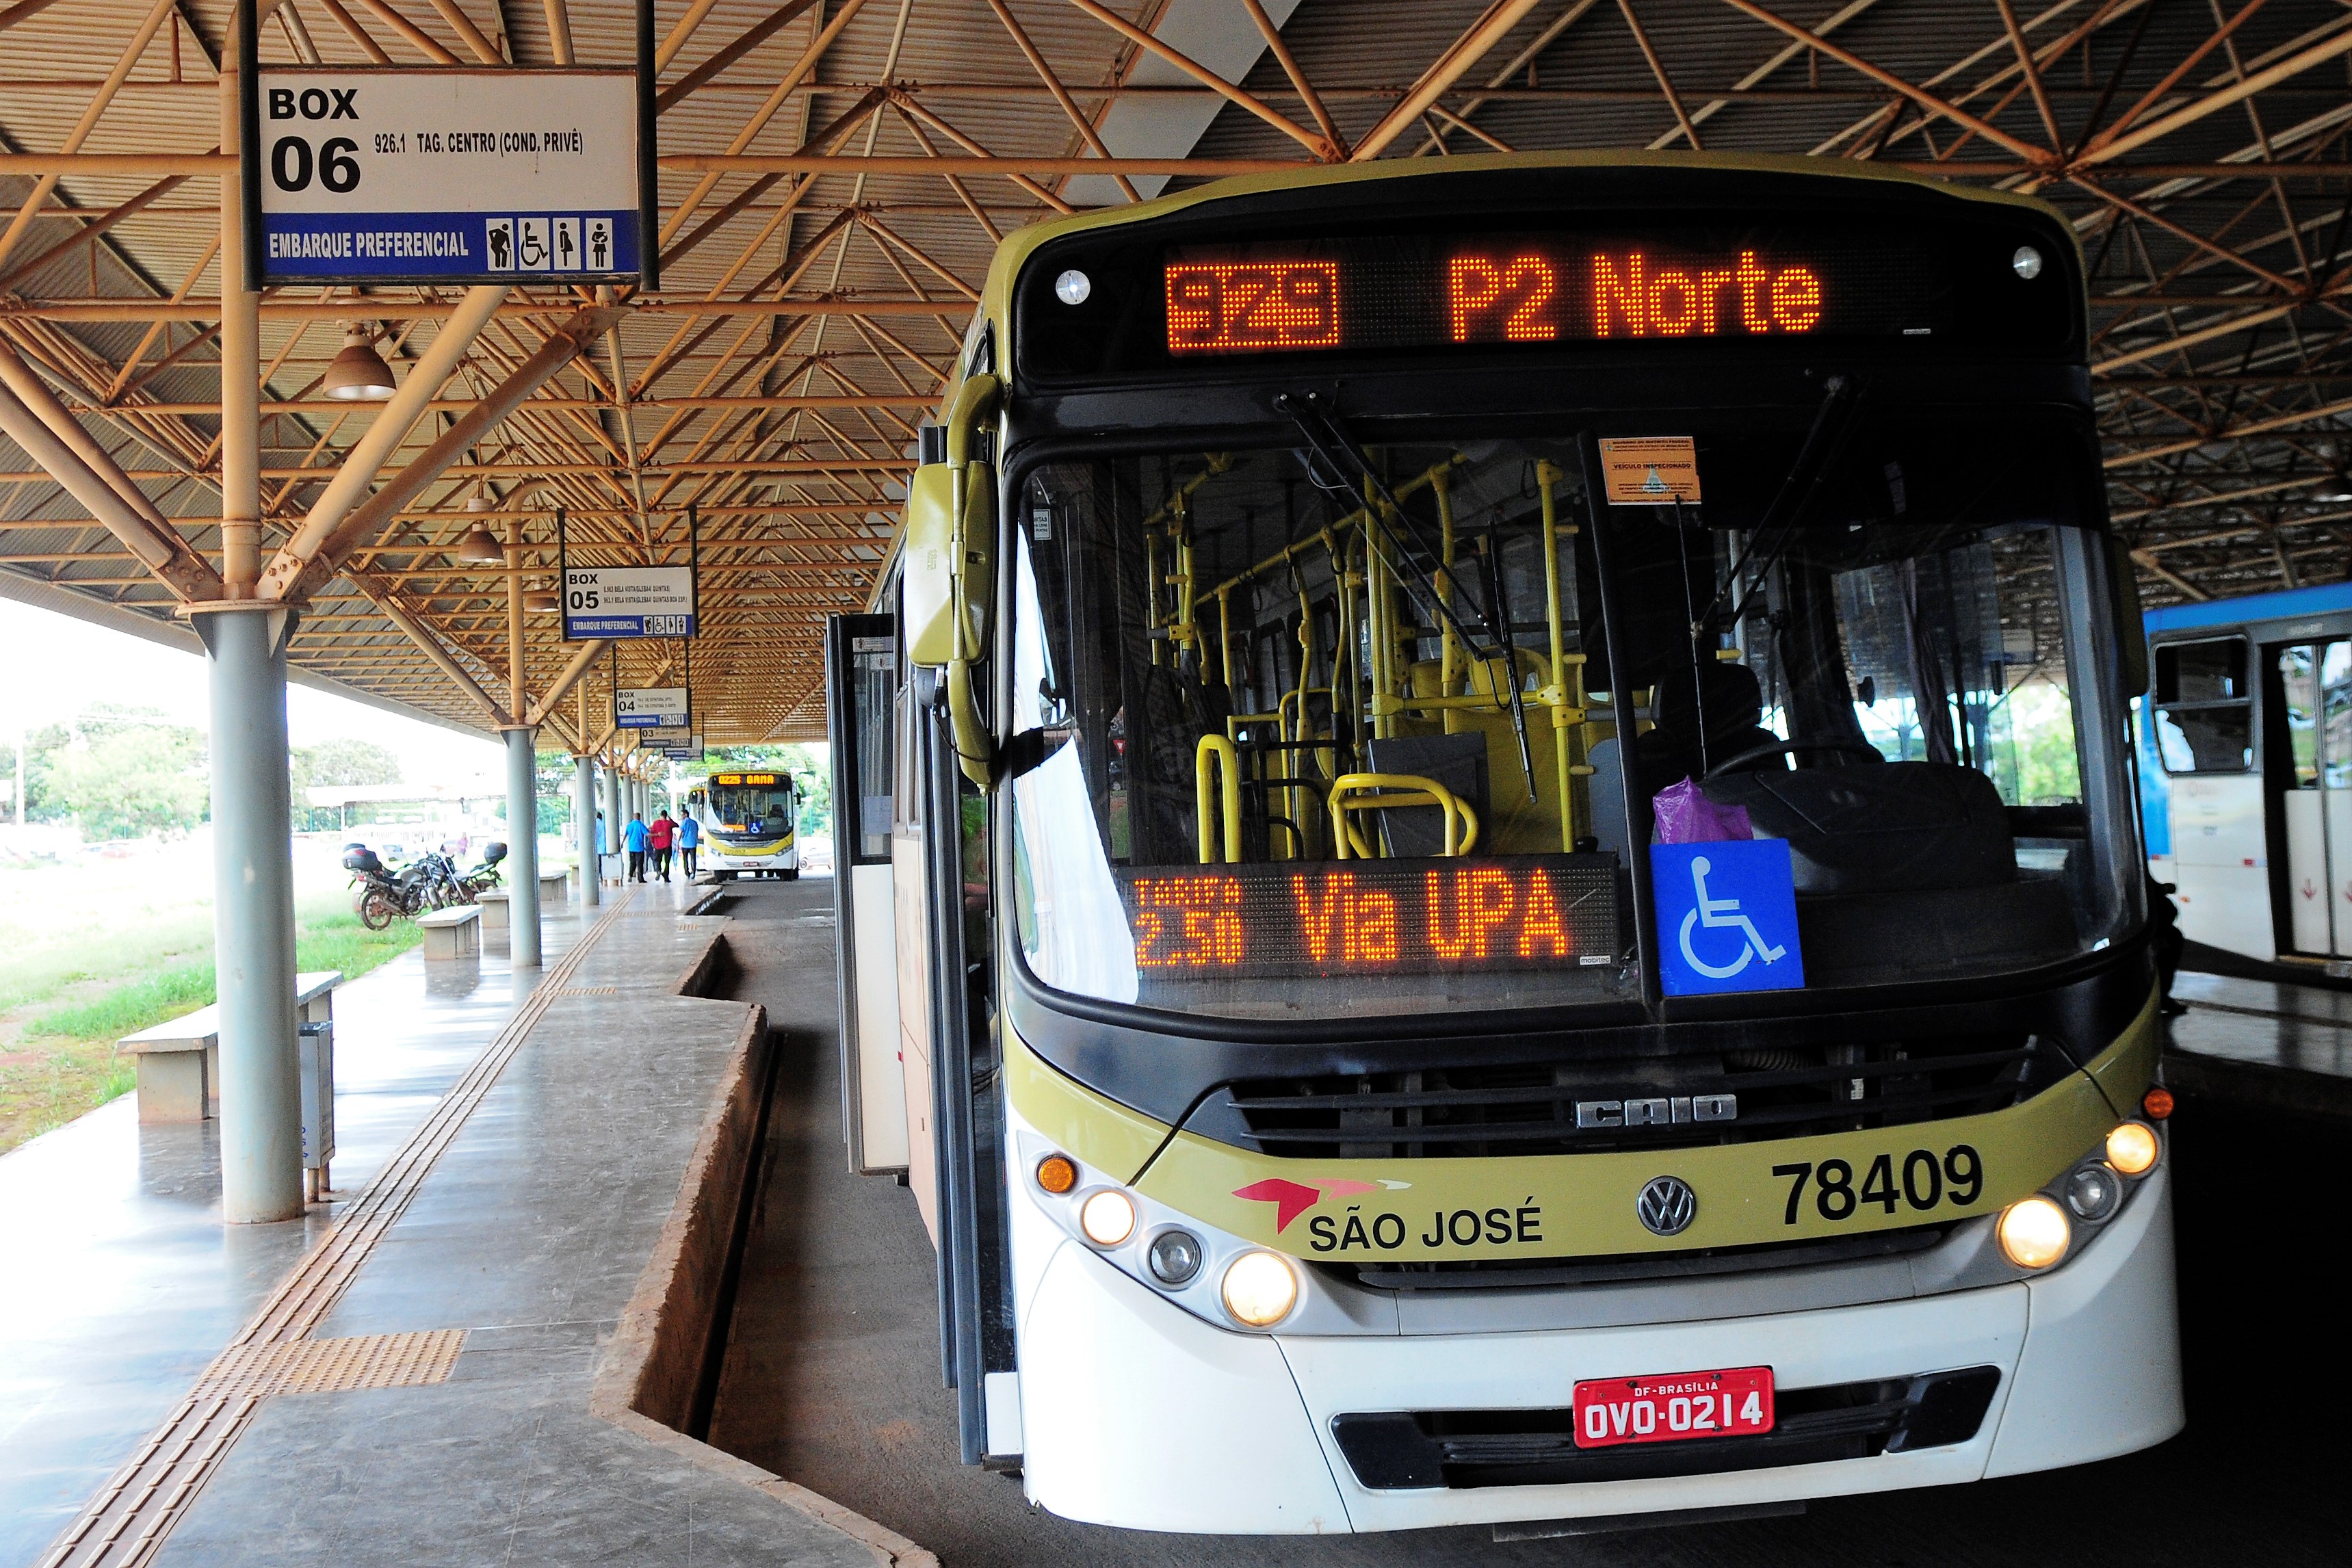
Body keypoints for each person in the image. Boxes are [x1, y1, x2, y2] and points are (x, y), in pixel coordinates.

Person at [649, 811, 675, 882]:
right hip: (667, 845)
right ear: (666, 816)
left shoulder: (655, 823)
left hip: (658, 846)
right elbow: (677, 825)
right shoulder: (669, 823)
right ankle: (666, 877)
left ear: (660, 815)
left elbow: (652, 833)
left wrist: (653, 843)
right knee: (667, 862)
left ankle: (659, 871)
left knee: (657, 860)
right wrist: (670, 819)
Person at [623, 812, 648, 883]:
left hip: (631, 847)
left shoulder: (629, 825)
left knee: (632, 862)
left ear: (633, 817)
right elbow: (647, 834)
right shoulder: (640, 825)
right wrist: (657, 835)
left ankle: (630, 875)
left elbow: (625, 835)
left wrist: (622, 843)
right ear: (639, 817)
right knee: (640, 863)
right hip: (639, 848)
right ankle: (640, 879)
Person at [677, 810, 700, 878]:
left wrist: (678, 841)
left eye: (682, 815)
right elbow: (696, 832)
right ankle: (693, 872)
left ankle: (687, 873)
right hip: (693, 843)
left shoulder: (684, 822)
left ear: (686, 815)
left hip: (685, 844)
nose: (681, 817)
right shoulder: (695, 823)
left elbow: (681, 832)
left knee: (685, 859)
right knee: (693, 859)